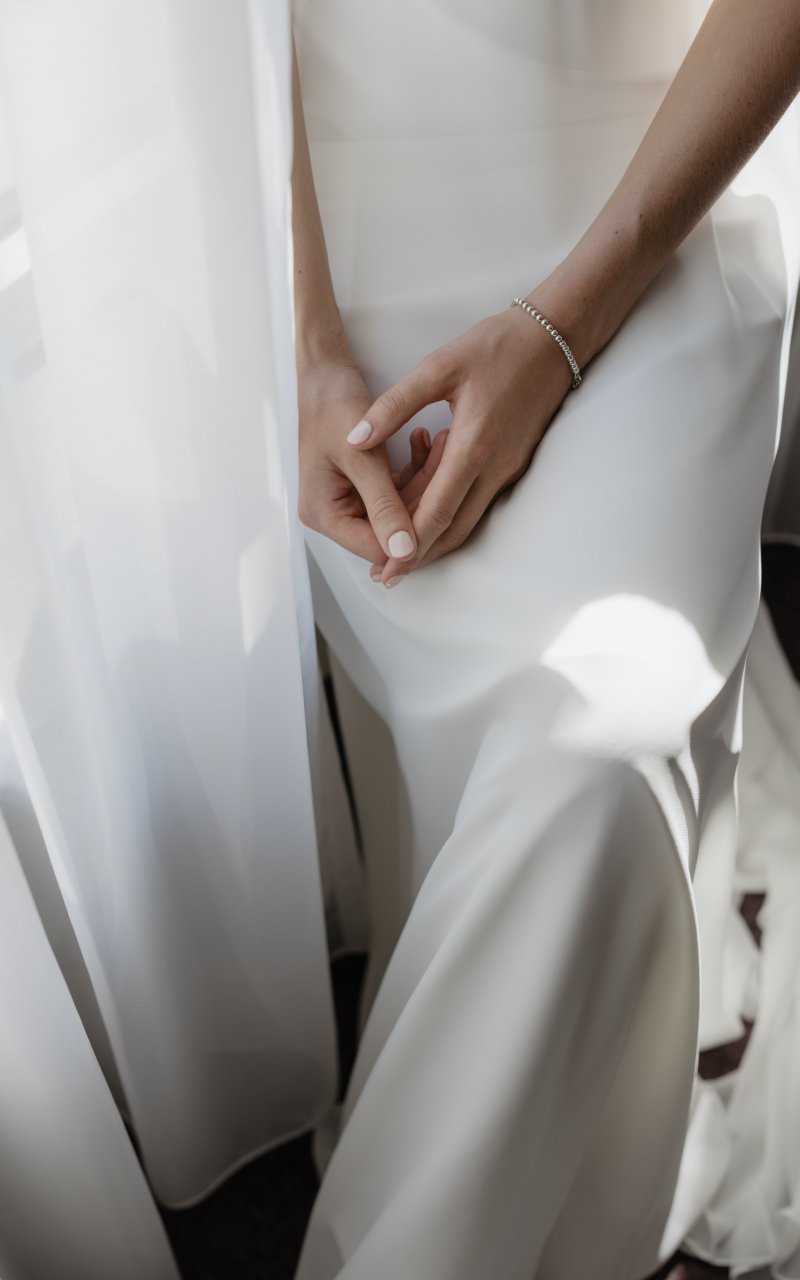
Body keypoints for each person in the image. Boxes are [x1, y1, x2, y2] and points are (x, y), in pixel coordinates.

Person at [289, 1, 800, 1276]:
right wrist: (303, 353)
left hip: (646, 224)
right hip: (334, 279)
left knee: (599, 752)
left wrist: (560, 327)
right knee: (476, 757)